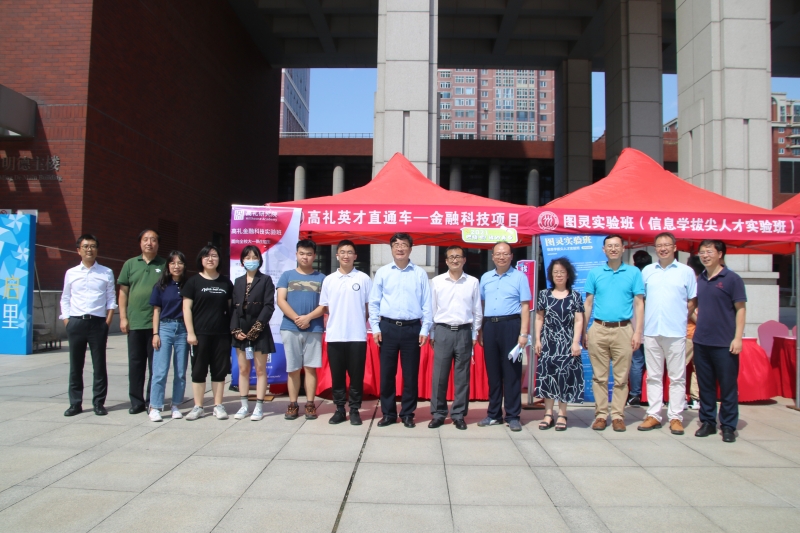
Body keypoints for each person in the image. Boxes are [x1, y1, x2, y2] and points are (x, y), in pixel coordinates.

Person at [368, 233, 433, 428]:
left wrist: (425, 329)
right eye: (396, 245)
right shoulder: (383, 272)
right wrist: (375, 327)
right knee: (387, 374)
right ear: (391, 249)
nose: (400, 248)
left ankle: (407, 414)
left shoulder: (419, 273)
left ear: (410, 249)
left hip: (412, 328)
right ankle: (388, 413)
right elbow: (374, 302)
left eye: (404, 245)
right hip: (387, 328)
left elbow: (427, 303)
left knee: (410, 374)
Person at [638, 233, 697, 435]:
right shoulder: (647, 271)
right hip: (652, 331)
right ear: (655, 248)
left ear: (674, 247)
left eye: (667, 245)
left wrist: (681, 316)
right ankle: (654, 414)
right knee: (653, 376)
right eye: (659, 245)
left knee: (677, 377)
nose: (663, 248)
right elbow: (641, 300)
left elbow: (693, 299)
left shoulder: (686, 272)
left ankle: (676, 417)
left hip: (676, 332)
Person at [584, 234, 644, 432]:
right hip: (599, 328)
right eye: (609, 246)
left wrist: (638, 332)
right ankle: (601, 415)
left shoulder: (633, 272)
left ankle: (618, 415)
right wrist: (584, 331)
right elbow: (588, 303)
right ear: (604, 250)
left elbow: (639, 303)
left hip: (623, 329)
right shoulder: (595, 273)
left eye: (617, 245)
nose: (613, 249)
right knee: (599, 377)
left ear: (623, 248)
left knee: (621, 377)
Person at [693, 240, 746, 443]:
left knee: (727, 386)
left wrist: (738, 338)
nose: (705, 256)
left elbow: (741, 310)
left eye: (709, 252)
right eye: (702, 252)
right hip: (701, 341)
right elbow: (694, 306)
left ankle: (729, 426)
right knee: (705, 385)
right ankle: (708, 422)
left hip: (725, 343)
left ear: (720, 254)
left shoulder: (732, 279)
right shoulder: (700, 279)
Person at [60, 234, 117, 417]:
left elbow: (111, 299)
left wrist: (107, 322)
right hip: (76, 322)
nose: (89, 249)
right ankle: (75, 403)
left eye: (92, 246)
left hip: (98, 323)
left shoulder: (106, 272)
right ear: (79, 250)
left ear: (97, 249)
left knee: (99, 365)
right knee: (75, 366)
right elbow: (65, 298)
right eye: (85, 246)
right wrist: (67, 321)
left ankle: (99, 403)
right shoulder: (71, 273)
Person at [478, 241, 531, 432]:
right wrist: (480, 330)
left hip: (511, 325)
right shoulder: (485, 277)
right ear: (492, 256)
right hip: (490, 326)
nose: (501, 257)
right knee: (493, 373)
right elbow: (481, 305)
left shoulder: (520, 277)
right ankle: (493, 414)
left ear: (511, 256)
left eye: (505, 253)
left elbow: (525, 306)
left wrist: (523, 333)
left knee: (511, 373)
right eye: (498, 254)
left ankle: (513, 415)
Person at [428, 245, 482, 430]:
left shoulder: (473, 282)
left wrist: (474, 333)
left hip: (464, 332)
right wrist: (432, 333)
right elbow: (431, 309)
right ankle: (438, 414)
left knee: (462, 376)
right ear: (446, 261)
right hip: (442, 331)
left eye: (458, 257)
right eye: (451, 257)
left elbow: (477, 310)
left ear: (464, 260)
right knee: (439, 376)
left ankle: (459, 414)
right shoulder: (437, 281)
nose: (455, 260)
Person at [319, 240, 372, 425]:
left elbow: (369, 307)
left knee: (356, 376)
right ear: (337, 255)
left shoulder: (364, 278)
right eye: (342, 252)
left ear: (355, 256)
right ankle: (340, 409)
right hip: (335, 335)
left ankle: (355, 409)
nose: (346, 255)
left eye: (350, 252)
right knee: (338, 375)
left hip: (357, 335)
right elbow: (325, 307)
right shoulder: (329, 280)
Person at [182, 245, 234, 421]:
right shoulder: (193, 282)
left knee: (219, 371)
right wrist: (190, 332)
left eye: (214, 256)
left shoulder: (225, 283)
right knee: (198, 370)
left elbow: (231, 309)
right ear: (201, 259)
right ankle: (198, 406)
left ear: (219, 259)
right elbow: (186, 309)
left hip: (221, 334)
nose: (210, 259)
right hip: (200, 334)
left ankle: (218, 405)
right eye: (206, 256)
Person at [277, 239, 326, 421]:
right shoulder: (287, 276)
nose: (305, 257)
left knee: (311, 368)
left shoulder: (322, 278)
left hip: (314, 328)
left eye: (309, 254)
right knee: (293, 368)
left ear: (314, 256)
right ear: (296, 254)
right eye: (302, 253)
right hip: (290, 328)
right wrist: (297, 319)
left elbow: (325, 305)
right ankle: (293, 403)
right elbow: (281, 300)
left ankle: (310, 404)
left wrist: (308, 318)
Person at [118, 229, 166, 414]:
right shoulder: (130, 264)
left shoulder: (164, 264)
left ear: (158, 244)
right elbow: (123, 292)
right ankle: (136, 401)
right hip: (135, 322)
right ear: (140, 243)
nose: (149, 243)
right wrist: (123, 317)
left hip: (157, 325)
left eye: (153, 240)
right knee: (136, 364)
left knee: (156, 366)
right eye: (146, 239)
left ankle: (152, 400)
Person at [534, 257, 584, 431]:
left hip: (567, 342)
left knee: (565, 377)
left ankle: (562, 413)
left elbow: (579, 320)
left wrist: (576, 342)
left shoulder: (575, 296)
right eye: (555, 272)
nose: (559, 275)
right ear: (551, 275)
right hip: (548, 341)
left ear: (568, 274)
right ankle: (548, 413)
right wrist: (538, 339)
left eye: (562, 272)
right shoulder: (544, 295)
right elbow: (539, 318)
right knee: (548, 376)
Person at [231, 246, 276, 421]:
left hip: (260, 329)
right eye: (247, 257)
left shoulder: (265, 280)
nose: (251, 260)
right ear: (242, 261)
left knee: (260, 369)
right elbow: (233, 308)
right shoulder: (238, 281)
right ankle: (243, 406)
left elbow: (269, 306)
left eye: (254, 257)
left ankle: (258, 406)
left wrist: (257, 328)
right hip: (241, 329)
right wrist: (236, 330)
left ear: (259, 260)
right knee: (243, 369)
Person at [148, 251, 189, 422]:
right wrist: (155, 333)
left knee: (180, 371)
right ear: (168, 266)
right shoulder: (161, 286)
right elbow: (156, 311)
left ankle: (176, 405)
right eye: (172, 263)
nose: (176, 266)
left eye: (180, 263)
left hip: (183, 329)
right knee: (160, 371)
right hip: (165, 327)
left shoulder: (188, 285)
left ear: (184, 266)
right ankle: (155, 406)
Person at [627, 250, 652, 407]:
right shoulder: (652, 279)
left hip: (634, 326)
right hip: (652, 328)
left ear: (635, 263)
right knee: (654, 364)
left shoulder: (632, 278)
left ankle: (635, 394)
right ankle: (653, 396)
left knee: (636, 361)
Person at [685, 255, 704, 410]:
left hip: (692, 333)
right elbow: (689, 308)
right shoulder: (699, 283)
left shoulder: (695, 283)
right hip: (691, 332)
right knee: (689, 368)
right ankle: (693, 398)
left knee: (684, 367)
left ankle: (693, 397)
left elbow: (688, 309)